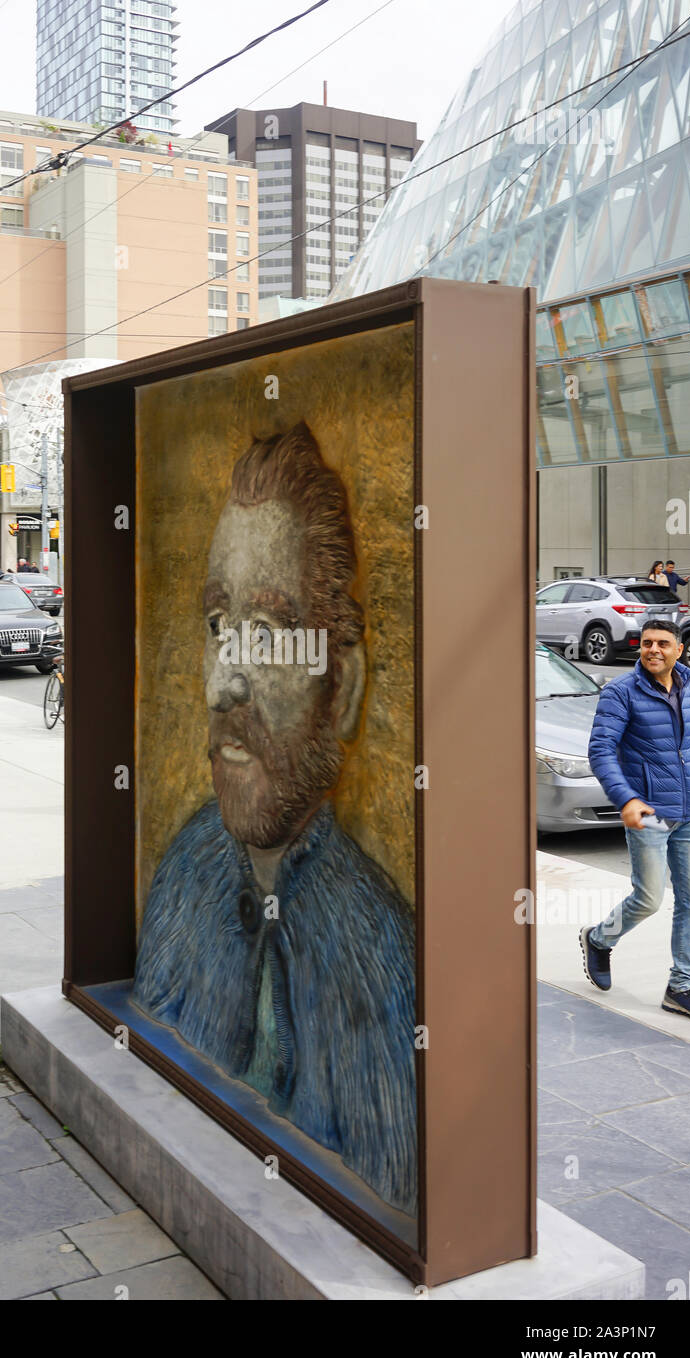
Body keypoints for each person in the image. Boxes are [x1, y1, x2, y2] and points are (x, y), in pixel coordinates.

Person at [131, 421, 416, 1212]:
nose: (224, 683)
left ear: (346, 687)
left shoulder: (386, 960)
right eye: (218, 627)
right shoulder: (180, 882)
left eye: (269, 632)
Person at [584, 619, 690, 1021]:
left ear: (678, 650)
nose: (653, 649)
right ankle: (600, 939)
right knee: (649, 899)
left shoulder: (688, 685)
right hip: (649, 812)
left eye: (663, 644)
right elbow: (601, 750)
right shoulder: (621, 691)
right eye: (647, 643)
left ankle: (680, 986)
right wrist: (627, 799)